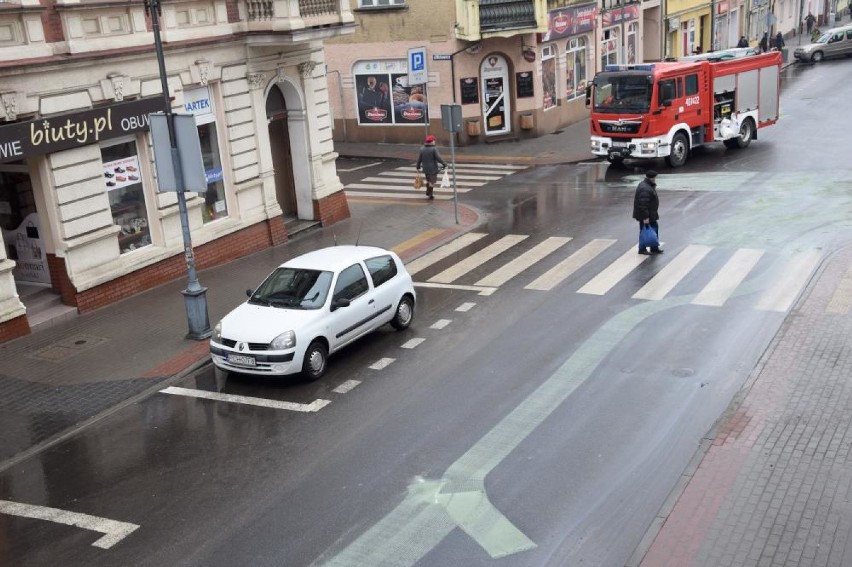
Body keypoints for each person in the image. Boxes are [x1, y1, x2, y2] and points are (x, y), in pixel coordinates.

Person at [633, 170, 663, 255]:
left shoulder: (647, 185)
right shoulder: (645, 188)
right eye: (655, 178)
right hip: (646, 215)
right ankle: (642, 249)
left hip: (651, 214)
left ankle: (654, 248)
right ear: (652, 178)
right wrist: (645, 217)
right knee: (645, 232)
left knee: (653, 230)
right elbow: (643, 204)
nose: (655, 179)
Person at [416, 135, 447, 200]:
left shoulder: (422, 149)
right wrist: (444, 163)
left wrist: (418, 166)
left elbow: (419, 159)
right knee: (431, 182)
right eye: (434, 140)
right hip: (433, 169)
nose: (434, 141)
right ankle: (430, 193)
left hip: (425, 168)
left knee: (428, 180)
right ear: (432, 141)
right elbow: (438, 158)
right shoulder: (434, 149)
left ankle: (428, 191)